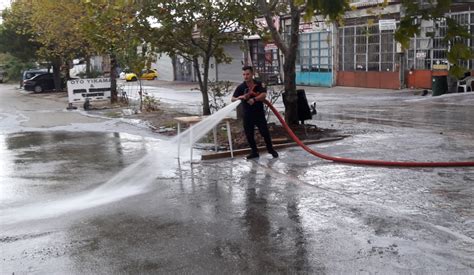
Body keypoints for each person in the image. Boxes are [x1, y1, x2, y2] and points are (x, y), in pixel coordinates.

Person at [232, 66, 278, 159]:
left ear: (252, 74)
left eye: (248, 74)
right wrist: (239, 97)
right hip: (247, 115)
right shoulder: (241, 87)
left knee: (265, 132)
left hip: (259, 114)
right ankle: (254, 152)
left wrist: (254, 99)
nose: (246, 76)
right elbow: (233, 99)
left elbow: (264, 95)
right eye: (244, 74)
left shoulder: (259, 84)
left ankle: (270, 149)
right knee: (249, 134)